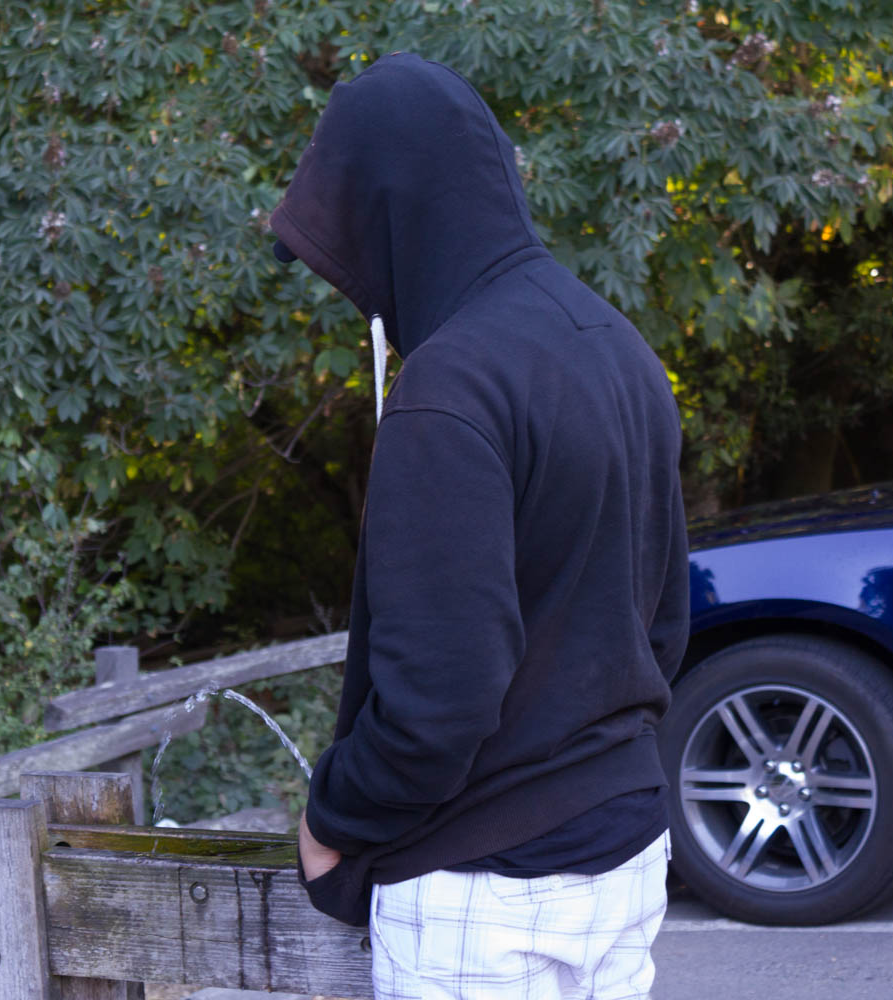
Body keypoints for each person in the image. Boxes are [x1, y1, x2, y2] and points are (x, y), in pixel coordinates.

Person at [269, 52, 689, 1000]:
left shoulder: (450, 388)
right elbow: (663, 626)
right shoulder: (619, 348)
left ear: (389, 213)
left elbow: (440, 702)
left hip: (484, 899)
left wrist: (331, 819)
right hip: (626, 855)